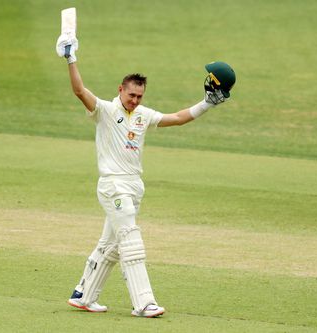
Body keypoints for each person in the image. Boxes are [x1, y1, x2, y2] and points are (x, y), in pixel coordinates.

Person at [56, 33, 235, 318]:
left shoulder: (142, 115)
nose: (135, 100)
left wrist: (207, 104)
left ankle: (84, 295)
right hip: (112, 185)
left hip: (134, 186)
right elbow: (79, 91)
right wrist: (71, 58)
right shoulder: (104, 110)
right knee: (130, 239)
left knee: (112, 245)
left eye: (140, 96)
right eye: (131, 95)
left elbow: (177, 118)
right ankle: (144, 303)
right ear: (120, 90)